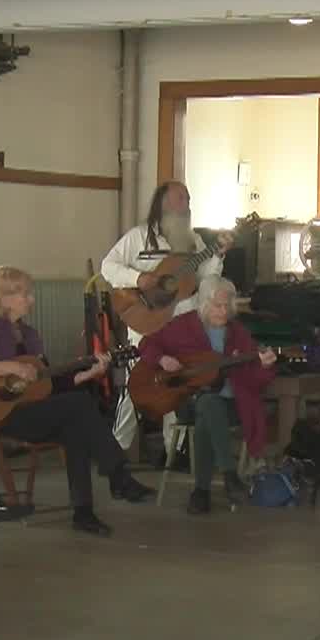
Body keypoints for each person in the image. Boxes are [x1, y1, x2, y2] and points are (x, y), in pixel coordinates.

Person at [0, 265, 151, 537]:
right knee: (79, 406)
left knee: (75, 426)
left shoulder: (30, 336)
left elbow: (51, 384)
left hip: (33, 412)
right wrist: (11, 367)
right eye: (24, 294)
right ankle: (118, 476)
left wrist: (90, 373)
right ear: (5, 298)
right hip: (1, 414)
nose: (31, 299)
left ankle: (84, 512)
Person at [100, 180, 233, 453]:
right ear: (163, 204)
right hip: (145, 321)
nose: (187, 205)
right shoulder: (138, 237)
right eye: (181, 199)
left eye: (188, 199)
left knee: (177, 382)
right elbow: (108, 266)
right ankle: (115, 448)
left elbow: (205, 279)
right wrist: (138, 278)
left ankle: (175, 450)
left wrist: (218, 255)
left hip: (180, 323)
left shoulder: (193, 241)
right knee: (138, 381)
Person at [137, 276, 277, 515]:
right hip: (186, 402)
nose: (223, 311)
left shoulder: (238, 333)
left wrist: (264, 366)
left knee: (208, 408)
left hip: (231, 406)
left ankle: (201, 492)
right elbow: (146, 344)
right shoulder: (184, 326)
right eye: (217, 305)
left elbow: (256, 381)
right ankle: (230, 475)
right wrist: (162, 359)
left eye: (227, 306)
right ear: (203, 303)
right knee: (207, 404)